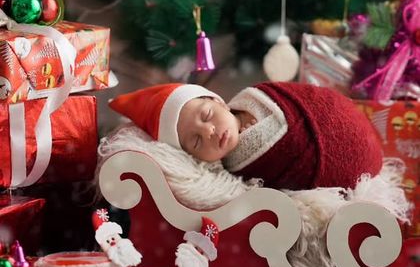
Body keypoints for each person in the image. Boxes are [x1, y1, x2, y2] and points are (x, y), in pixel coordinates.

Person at [109, 81, 383, 191]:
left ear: (219, 102)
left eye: (206, 116)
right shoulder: (235, 175)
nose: (209, 131)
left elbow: (316, 99)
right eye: (196, 142)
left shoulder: (263, 99)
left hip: (345, 126)